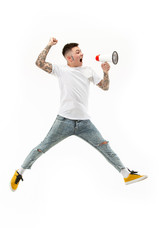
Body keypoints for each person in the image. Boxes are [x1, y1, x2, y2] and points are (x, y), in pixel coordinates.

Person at [10, 37, 148, 191]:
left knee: (105, 147)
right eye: (78, 52)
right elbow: (39, 63)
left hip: (84, 123)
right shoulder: (61, 70)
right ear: (70, 58)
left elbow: (105, 87)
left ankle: (126, 175)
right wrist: (49, 45)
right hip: (63, 121)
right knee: (42, 147)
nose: (82, 53)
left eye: (80, 51)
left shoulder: (88, 70)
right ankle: (19, 172)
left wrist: (105, 72)